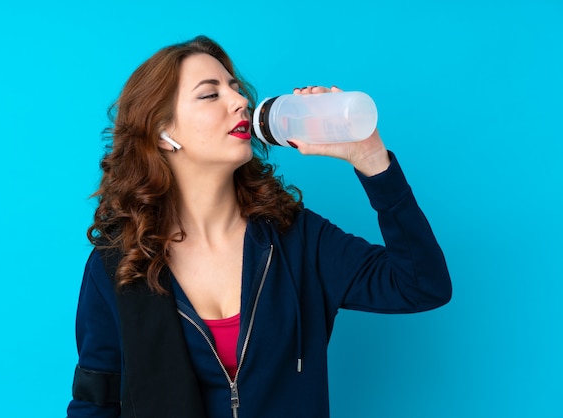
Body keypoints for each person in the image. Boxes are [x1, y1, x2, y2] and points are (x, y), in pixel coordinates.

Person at [66, 35, 452, 418]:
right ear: (162, 133)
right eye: (210, 94)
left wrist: (371, 159)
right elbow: (95, 402)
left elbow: (421, 286)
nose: (240, 101)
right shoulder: (120, 264)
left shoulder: (297, 238)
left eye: (235, 88)